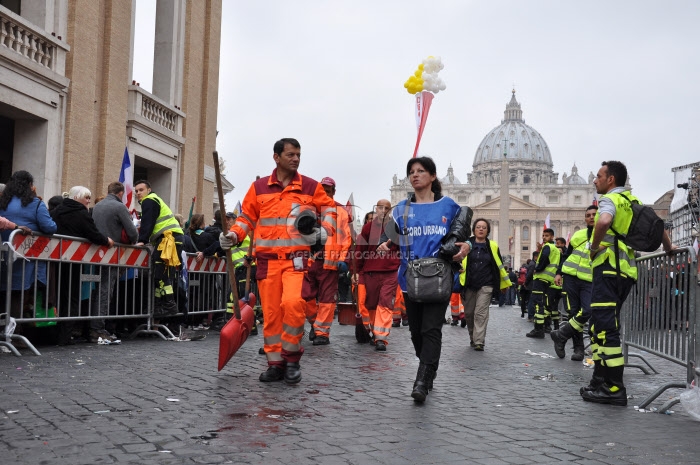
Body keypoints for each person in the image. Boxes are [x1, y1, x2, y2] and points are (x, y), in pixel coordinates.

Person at [220, 138, 337, 385]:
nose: (296, 159)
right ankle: (275, 364)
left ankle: (292, 358)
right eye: (291, 155)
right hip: (267, 262)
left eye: (298, 155)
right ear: (276, 157)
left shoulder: (310, 186)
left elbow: (330, 210)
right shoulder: (258, 187)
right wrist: (233, 235)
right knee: (272, 314)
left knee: (293, 305)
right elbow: (246, 218)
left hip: (296, 261)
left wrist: (324, 231)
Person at [580, 161, 674, 406]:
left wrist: (592, 248)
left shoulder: (609, 201)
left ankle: (614, 388)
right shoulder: (632, 202)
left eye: (599, 176)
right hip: (625, 274)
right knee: (598, 327)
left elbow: (602, 222)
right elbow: (659, 226)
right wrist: (669, 248)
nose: (594, 180)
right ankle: (599, 380)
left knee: (607, 329)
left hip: (609, 270)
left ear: (611, 179)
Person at [389, 156, 472, 402]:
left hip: (438, 277)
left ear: (433, 176)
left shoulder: (449, 206)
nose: (415, 175)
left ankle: (422, 381)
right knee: (416, 332)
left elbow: (462, 235)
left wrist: (466, 245)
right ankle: (429, 366)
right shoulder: (399, 210)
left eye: (421, 171)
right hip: (409, 278)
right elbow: (394, 240)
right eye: (411, 172)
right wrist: (386, 244)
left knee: (431, 329)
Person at [53, 186, 114, 344]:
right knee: (72, 298)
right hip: (74, 261)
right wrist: (106, 241)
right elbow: (92, 233)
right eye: (86, 197)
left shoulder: (58, 211)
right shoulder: (81, 213)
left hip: (56, 260)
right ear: (76, 198)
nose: (88, 201)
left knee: (60, 296)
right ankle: (65, 336)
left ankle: (57, 334)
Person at [0, 171, 57, 319]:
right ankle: (14, 333)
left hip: (4, 255)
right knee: (20, 294)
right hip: (26, 256)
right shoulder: (35, 203)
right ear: (30, 186)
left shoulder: (3, 202)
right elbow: (49, 227)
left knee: (5, 292)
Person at [302, 177, 351, 345]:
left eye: (327, 190)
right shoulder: (308, 208)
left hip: (330, 262)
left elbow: (346, 238)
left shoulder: (341, 211)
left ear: (334, 191)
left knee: (327, 299)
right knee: (304, 296)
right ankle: (316, 325)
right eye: (321, 190)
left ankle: (322, 333)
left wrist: (344, 259)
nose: (324, 193)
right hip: (308, 261)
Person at [91, 182, 138, 340]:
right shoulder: (119, 207)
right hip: (112, 255)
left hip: (95, 254)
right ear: (120, 194)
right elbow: (132, 232)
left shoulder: (97, 206)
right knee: (106, 290)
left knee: (97, 290)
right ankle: (98, 328)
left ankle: (94, 325)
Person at [550, 205, 597, 361]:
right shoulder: (578, 235)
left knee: (587, 310)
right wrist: (559, 272)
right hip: (570, 277)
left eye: (594, 214)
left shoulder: (605, 235)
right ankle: (578, 349)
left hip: (589, 279)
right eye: (588, 215)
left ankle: (561, 335)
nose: (591, 217)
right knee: (573, 312)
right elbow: (567, 255)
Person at [353, 198, 400, 351]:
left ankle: (381, 337)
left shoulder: (396, 227)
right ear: (376, 209)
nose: (383, 211)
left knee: (385, 303)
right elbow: (360, 250)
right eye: (380, 208)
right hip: (370, 272)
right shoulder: (367, 228)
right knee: (371, 303)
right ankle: (374, 330)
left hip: (390, 272)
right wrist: (357, 272)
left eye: (386, 208)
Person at [459, 218, 511, 351]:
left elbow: (498, 266)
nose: (481, 229)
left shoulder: (493, 246)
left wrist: (503, 284)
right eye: (478, 227)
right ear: (474, 230)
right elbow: (457, 260)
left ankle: (479, 341)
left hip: (486, 284)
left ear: (488, 230)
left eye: (484, 227)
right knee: (469, 314)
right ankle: (473, 337)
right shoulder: (466, 244)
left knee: (480, 313)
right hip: (468, 283)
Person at [134, 180, 184, 317]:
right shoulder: (154, 200)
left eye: (141, 190)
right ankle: (158, 306)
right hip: (170, 239)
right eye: (136, 191)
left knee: (161, 274)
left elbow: (147, 223)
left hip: (168, 239)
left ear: (149, 190)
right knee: (161, 274)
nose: (138, 193)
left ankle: (169, 306)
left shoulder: (149, 200)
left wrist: (142, 240)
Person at [525, 228, 560, 338]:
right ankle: (545, 326)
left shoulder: (547, 247)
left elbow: (544, 259)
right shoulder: (556, 249)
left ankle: (538, 329)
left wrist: (537, 268)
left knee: (537, 303)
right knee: (544, 304)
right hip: (548, 280)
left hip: (541, 278)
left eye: (547, 236)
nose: (544, 238)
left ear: (552, 237)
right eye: (543, 235)